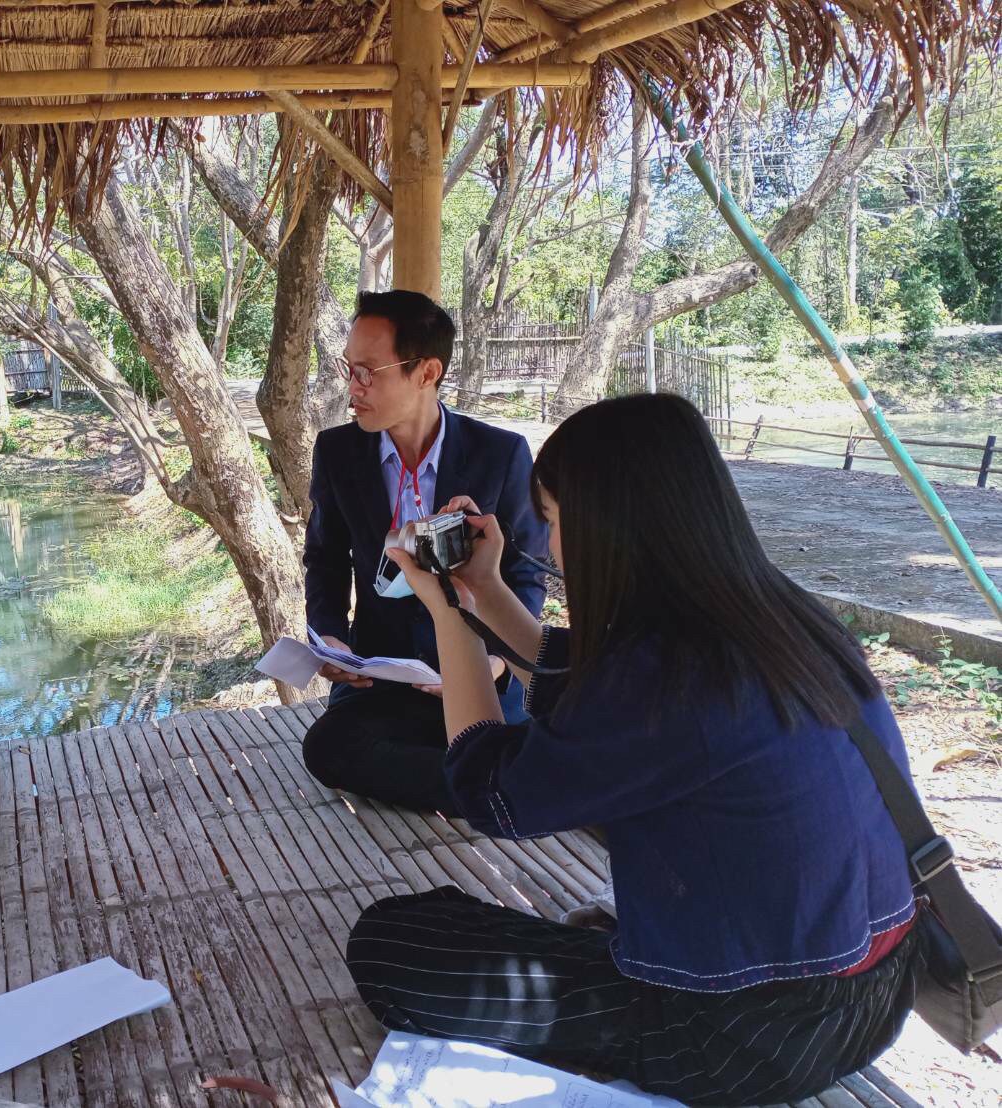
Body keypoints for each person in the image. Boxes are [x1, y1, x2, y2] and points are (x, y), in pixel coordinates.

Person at [346, 393, 920, 1105]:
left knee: (394, 943)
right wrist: (484, 590)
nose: (549, 545)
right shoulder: (774, 617)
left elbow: (491, 791)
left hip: (745, 1034)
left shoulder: (669, 677)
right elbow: (584, 687)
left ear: (604, 526)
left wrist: (447, 616)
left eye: (554, 520)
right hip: (875, 991)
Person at [301, 290, 549, 813]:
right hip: (382, 677)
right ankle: (494, 787)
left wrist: (497, 661)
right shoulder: (339, 452)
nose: (353, 388)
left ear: (427, 372)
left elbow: (525, 575)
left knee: (497, 737)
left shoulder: (500, 454)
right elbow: (325, 560)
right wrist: (330, 637)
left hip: (484, 673)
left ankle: (487, 778)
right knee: (326, 748)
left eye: (368, 372)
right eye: (349, 369)